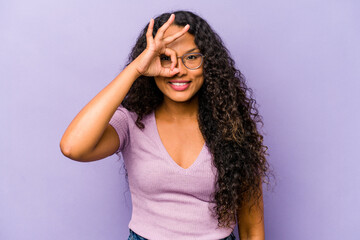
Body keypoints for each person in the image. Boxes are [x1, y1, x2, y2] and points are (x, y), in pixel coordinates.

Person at [60, 10, 270, 240]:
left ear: (208, 63)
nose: (177, 69)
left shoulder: (232, 126)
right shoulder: (131, 122)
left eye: (191, 57)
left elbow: (251, 229)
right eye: (165, 57)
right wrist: (135, 69)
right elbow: (73, 147)